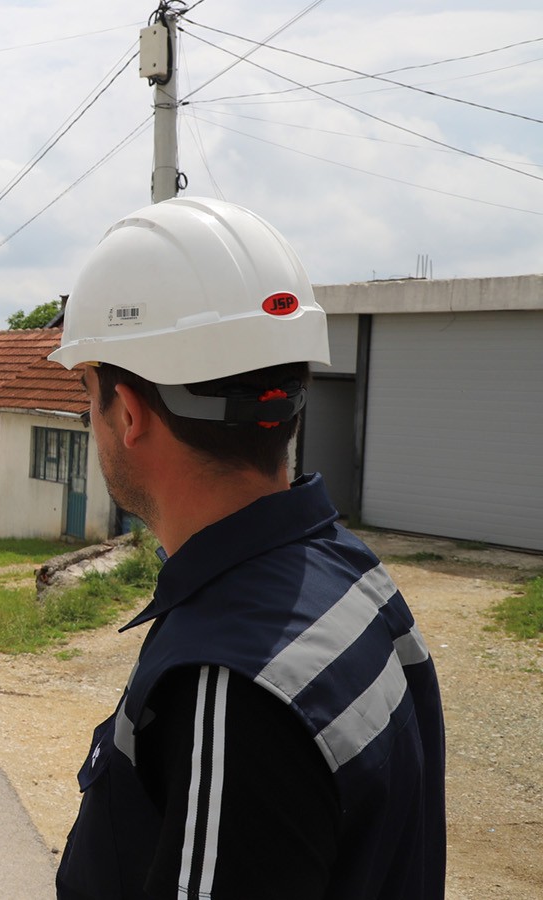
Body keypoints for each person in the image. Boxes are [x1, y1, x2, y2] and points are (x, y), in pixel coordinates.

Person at [46, 198, 445, 899]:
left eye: (88, 391)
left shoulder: (229, 686)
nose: (89, 415)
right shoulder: (354, 578)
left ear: (129, 414)